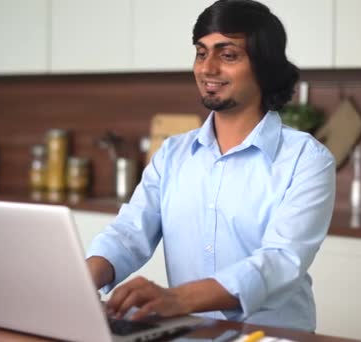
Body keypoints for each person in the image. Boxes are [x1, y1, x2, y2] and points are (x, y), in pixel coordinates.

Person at [86, 0, 335, 332]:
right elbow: (129, 233)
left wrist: (175, 300)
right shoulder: (172, 153)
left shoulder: (307, 160)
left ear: (264, 66)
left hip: (272, 337)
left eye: (227, 55)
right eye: (201, 53)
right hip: (190, 336)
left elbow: (280, 262)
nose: (207, 68)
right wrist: (84, 278)